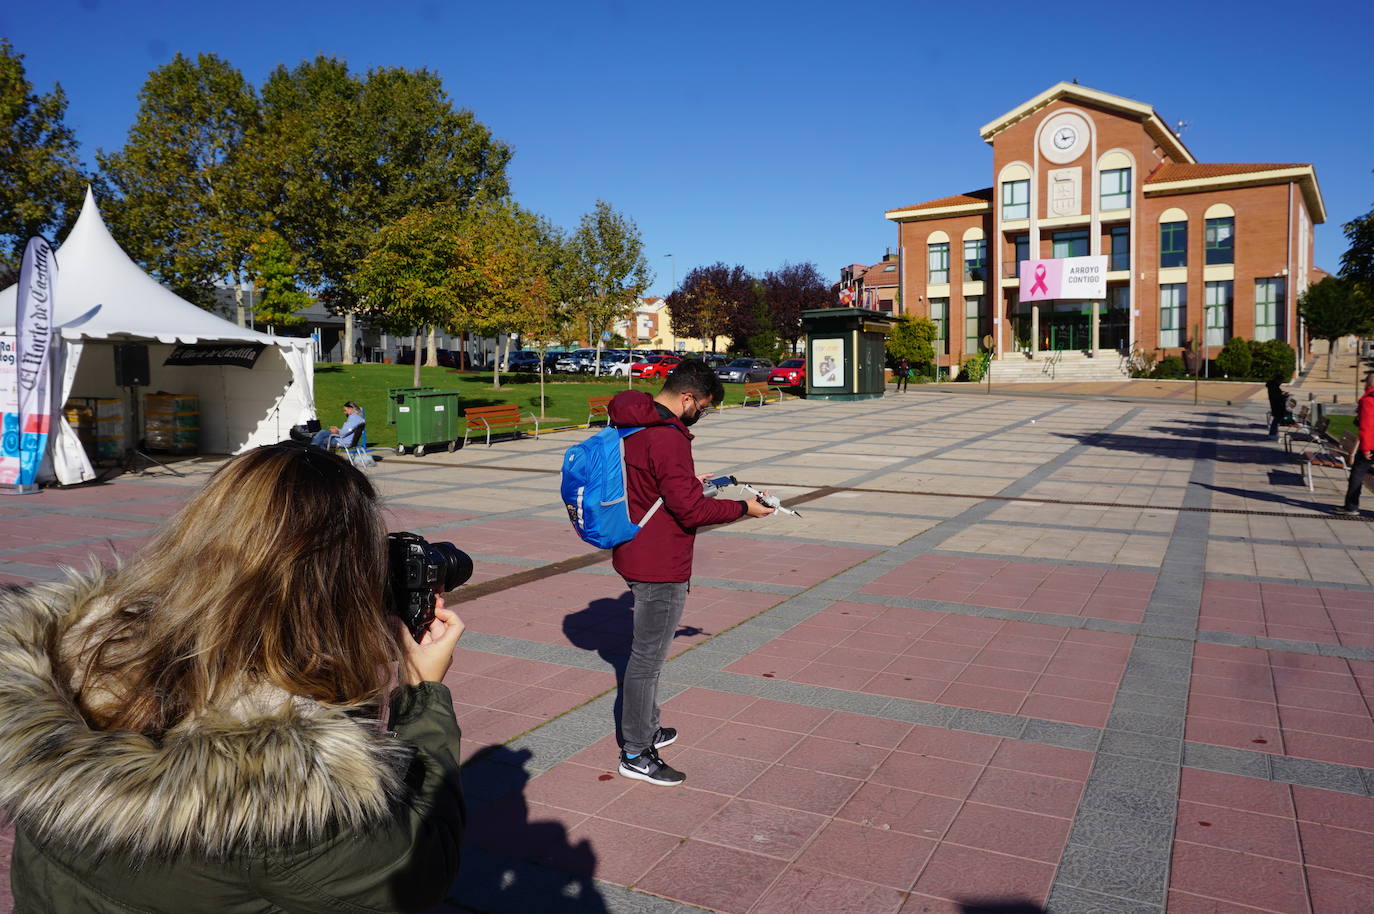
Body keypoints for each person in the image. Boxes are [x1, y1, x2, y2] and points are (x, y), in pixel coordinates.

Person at [0, 444, 467, 912]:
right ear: (339, 592)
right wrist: (423, 696)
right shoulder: (288, 786)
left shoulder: (64, 660)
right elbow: (417, 875)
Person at [607, 360, 774, 785]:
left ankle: (646, 729)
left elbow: (655, 486)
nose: (703, 414)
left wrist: (687, 481)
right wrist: (743, 508)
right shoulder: (667, 439)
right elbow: (691, 510)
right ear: (687, 398)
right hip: (660, 562)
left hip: (633, 548)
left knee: (646, 653)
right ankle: (636, 753)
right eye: (703, 406)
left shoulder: (633, 420)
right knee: (647, 660)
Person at [1335, 371, 1374, 516]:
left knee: (1357, 475)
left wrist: (1364, 449)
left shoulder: (1368, 400)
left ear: (1369, 384)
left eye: (1366, 382)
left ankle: (1351, 506)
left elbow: (1367, 427)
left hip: (1370, 446)